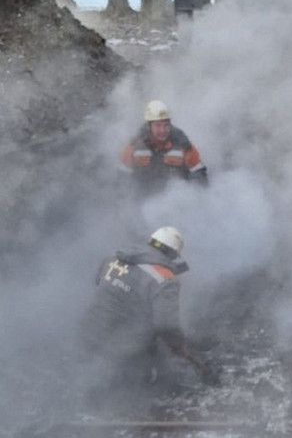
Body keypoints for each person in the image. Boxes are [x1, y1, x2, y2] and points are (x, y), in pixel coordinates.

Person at [81, 226, 219, 393]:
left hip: (89, 331)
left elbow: (98, 283)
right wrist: (177, 345)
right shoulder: (164, 278)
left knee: (88, 380)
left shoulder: (114, 257)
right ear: (173, 255)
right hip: (123, 347)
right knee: (140, 385)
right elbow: (166, 325)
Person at [120, 100, 208, 195]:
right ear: (149, 126)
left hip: (176, 203)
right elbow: (122, 179)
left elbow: (200, 176)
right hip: (140, 201)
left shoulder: (184, 146)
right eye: (158, 126)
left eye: (166, 125)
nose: (162, 130)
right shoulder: (134, 146)